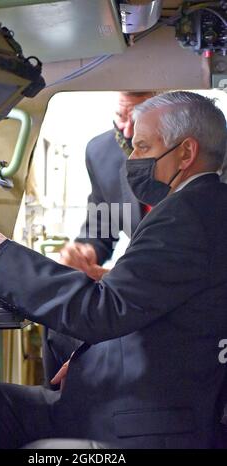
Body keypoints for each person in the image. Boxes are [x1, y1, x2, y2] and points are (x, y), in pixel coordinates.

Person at [0, 91, 227, 449]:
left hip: (140, 423)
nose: (131, 158)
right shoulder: (201, 204)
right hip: (142, 394)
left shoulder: (188, 217)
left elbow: (103, 311)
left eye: (143, 147)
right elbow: (117, 247)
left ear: (186, 152)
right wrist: (86, 255)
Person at [43, 92, 154, 388]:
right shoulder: (102, 152)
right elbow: (101, 226)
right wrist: (85, 252)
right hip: (133, 288)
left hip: (177, 293)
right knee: (59, 320)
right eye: (121, 117)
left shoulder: (213, 159)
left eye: (139, 118)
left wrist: (119, 276)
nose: (127, 131)